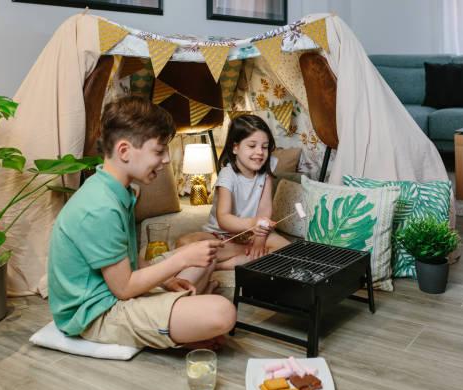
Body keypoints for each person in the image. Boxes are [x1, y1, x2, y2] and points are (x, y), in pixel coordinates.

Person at [48, 96, 236, 350]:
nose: (167, 160)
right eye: (159, 151)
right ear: (124, 151)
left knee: (208, 255)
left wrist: (167, 280)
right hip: (97, 313)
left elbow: (130, 261)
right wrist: (181, 260)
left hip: (117, 284)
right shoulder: (99, 207)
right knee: (222, 312)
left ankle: (179, 316)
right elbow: (124, 288)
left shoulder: (120, 190)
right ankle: (181, 320)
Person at [176, 114, 290, 270]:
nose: (260, 152)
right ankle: (243, 254)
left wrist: (259, 239)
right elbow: (224, 218)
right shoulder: (227, 175)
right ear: (235, 147)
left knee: (288, 250)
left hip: (253, 234)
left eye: (264, 147)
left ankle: (223, 265)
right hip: (221, 235)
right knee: (184, 243)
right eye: (252, 146)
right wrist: (251, 223)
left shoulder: (266, 170)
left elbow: (264, 210)